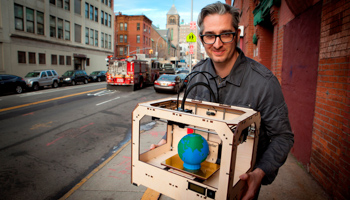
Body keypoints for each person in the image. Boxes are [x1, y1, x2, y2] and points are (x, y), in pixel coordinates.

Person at [152, 2, 294, 199]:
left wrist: (259, 173)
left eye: (225, 34)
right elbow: (183, 120)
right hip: (195, 179)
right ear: (202, 39)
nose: (217, 44)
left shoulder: (264, 83)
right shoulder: (196, 75)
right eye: (210, 35)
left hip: (238, 186)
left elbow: (282, 137)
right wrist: (164, 142)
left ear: (236, 34)